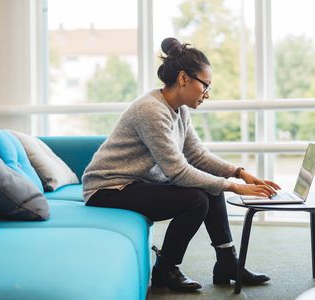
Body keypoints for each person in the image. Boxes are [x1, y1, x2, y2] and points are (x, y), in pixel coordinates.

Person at [82, 37, 281, 293]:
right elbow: (176, 171)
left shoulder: (178, 109)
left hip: (135, 184)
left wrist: (240, 173)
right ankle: (165, 269)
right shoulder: (151, 110)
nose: (207, 94)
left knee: (211, 187)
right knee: (196, 199)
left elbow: (196, 155)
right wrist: (234, 187)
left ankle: (227, 263)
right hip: (108, 189)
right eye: (205, 85)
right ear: (184, 78)